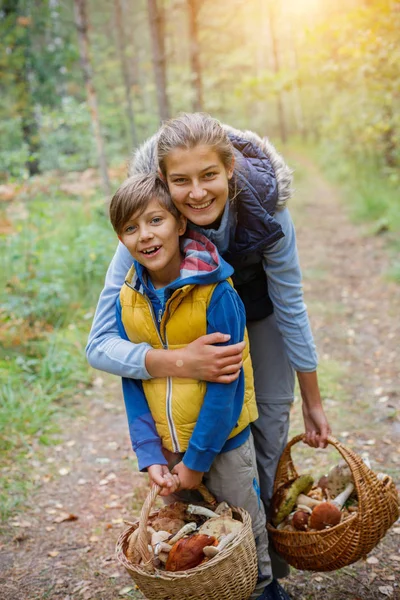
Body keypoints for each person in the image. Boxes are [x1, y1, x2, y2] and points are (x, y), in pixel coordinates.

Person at [86, 112, 331, 592]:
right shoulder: (151, 223)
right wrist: (177, 361)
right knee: (202, 454)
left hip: (256, 312)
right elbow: (101, 342)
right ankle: (210, 568)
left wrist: (314, 400)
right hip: (184, 318)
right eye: (181, 181)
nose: (197, 193)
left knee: (265, 435)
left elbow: (291, 304)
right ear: (162, 182)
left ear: (230, 171)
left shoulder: (267, 209)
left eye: (209, 176)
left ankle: (264, 571)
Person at [109, 171, 279, 600]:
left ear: (180, 223)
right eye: (130, 228)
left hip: (222, 446)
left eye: (155, 221)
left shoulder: (216, 294)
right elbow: (134, 377)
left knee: (243, 535)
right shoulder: (127, 299)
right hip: (168, 449)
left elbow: (227, 386)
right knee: (192, 546)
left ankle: (263, 592)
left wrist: (198, 459)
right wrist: (151, 454)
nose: (144, 235)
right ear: (121, 239)